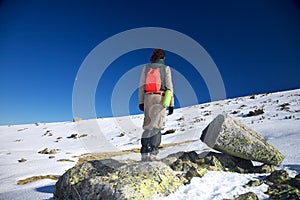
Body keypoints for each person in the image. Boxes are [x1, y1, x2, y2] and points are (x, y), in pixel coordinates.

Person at [138, 48, 174, 161]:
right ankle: (153, 153)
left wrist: (141, 102)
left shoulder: (146, 68)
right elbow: (169, 87)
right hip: (160, 98)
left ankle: (144, 152)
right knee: (157, 126)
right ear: (163, 58)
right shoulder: (166, 68)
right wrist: (171, 104)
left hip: (148, 97)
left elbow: (141, 87)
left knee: (147, 126)